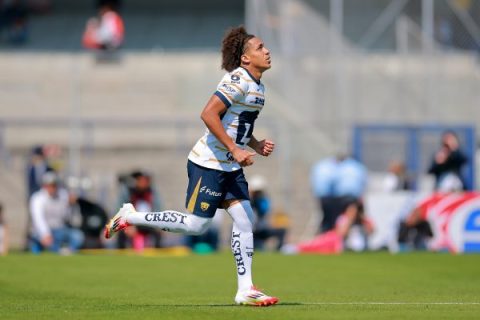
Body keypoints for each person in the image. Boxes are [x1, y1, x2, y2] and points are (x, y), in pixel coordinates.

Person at [104, 26, 278, 306]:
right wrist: (235, 149)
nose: (266, 51)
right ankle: (130, 216)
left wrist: (254, 144)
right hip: (208, 163)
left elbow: (236, 122)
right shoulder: (237, 80)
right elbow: (208, 114)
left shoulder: (259, 87)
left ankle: (245, 289)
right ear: (245, 59)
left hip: (229, 166)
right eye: (259, 48)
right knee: (197, 226)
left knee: (246, 220)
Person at [310, 154, 367, 234]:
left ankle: (329, 234)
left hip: (325, 197)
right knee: (348, 217)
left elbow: (332, 181)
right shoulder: (357, 166)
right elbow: (363, 182)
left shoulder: (324, 165)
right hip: (350, 197)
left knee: (329, 218)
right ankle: (340, 235)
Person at [29, 172, 84, 254]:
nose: (52, 188)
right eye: (49, 185)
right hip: (41, 231)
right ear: (44, 186)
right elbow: (38, 219)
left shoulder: (63, 195)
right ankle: (41, 246)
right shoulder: (37, 198)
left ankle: (65, 250)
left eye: (54, 185)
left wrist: (71, 205)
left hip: (59, 229)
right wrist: (45, 234)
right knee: (43, 242)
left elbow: (67, 216)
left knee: (78, 236)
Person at [116, 170, 163, 251]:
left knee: (158, 233)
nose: (143, 183)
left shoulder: (152, 193)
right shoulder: (128, 193)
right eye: (141, 180)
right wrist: (128, 226)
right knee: (121, 233)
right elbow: (120, 211)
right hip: (132, 222)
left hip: (149, 223)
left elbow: (157, 210)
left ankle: (157, 253)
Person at [249, 175, 287, 251]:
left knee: (281, 231)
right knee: (257, 248)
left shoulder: (263, 200)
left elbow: (264, 211)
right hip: (250, 231)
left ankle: (279, 250)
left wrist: (257, 201)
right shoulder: (247, 201)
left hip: (261, 229)